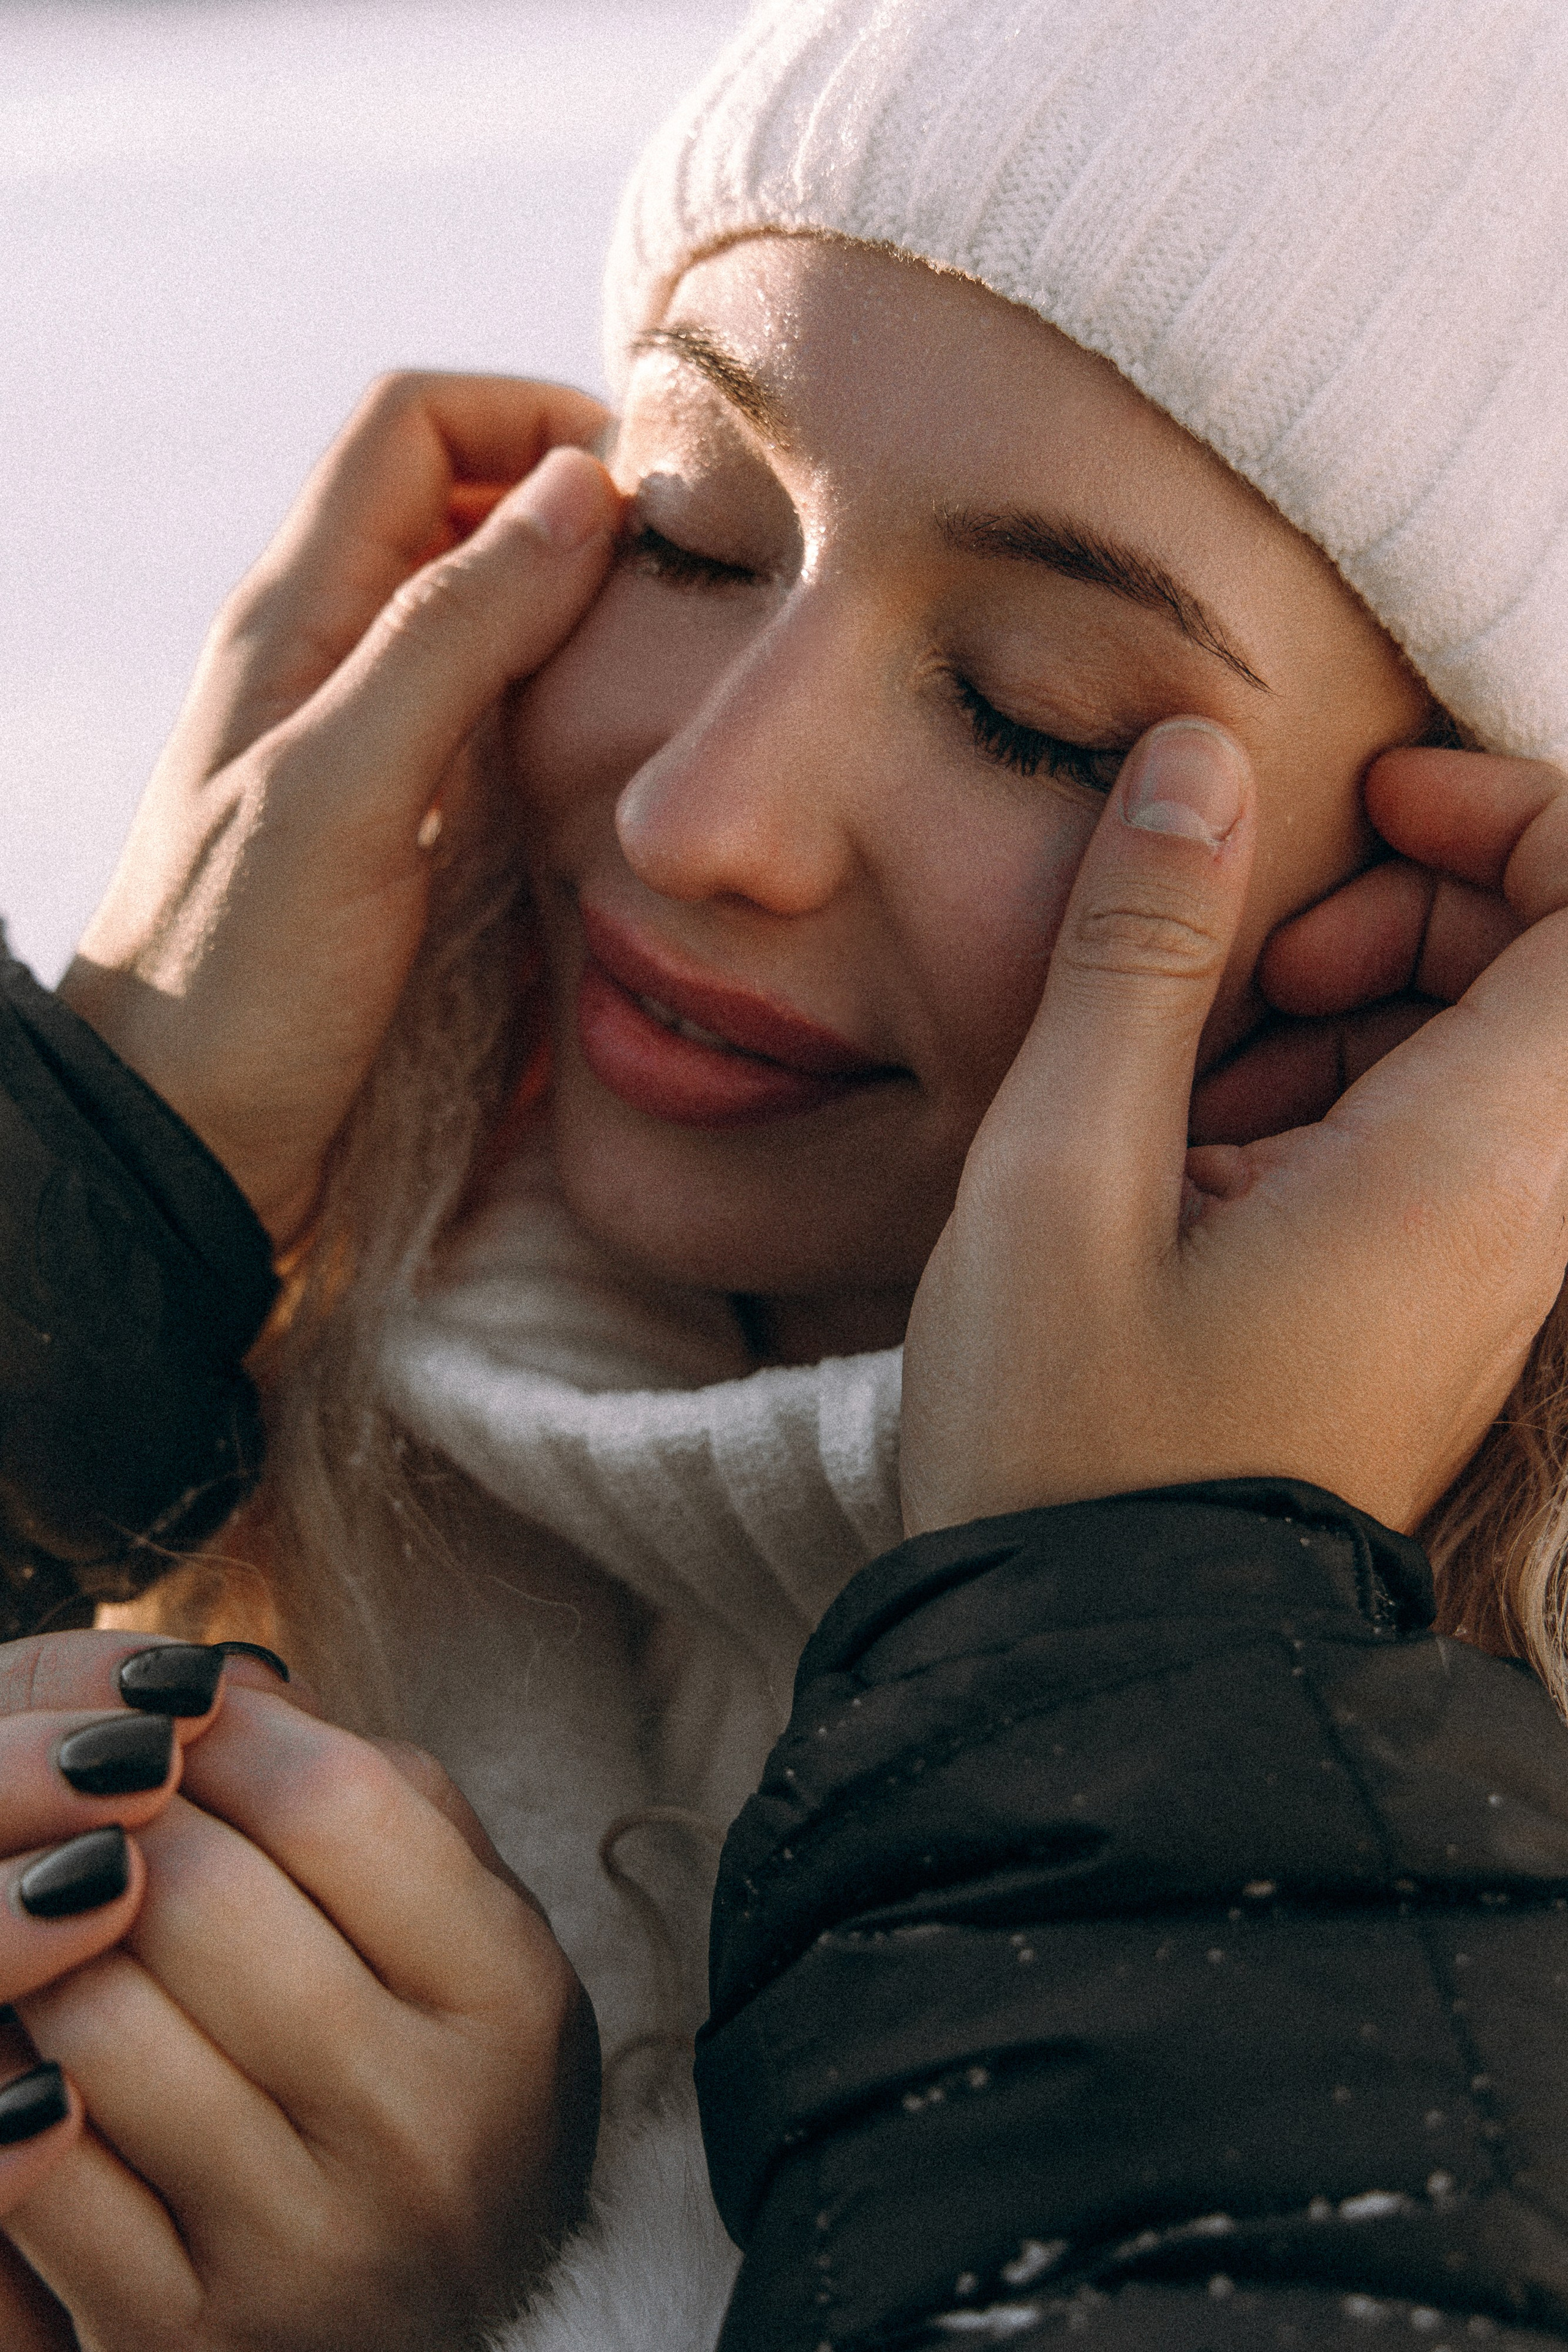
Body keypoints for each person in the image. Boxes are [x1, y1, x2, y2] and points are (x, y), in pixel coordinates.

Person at [3, 0, 1568, 2344]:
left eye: (1039, 709)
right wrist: (85, 1236)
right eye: (693, 532)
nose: (694, 821)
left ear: (1466, 955)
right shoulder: (241, 1462)